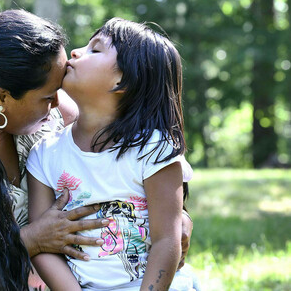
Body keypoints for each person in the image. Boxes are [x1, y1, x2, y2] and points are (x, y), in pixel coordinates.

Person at [0, 9, 193, 290]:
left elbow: (135, 190)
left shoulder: (58, 117)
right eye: (49, 96)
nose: (58, 104)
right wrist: (31, 240)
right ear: (2, 98)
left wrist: (175, 224)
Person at [27, 18, 200, 290]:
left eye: (95, 49)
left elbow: (168, 240)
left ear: (123, 80)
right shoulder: (44, 155)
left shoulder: (154, 149)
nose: (75, 52)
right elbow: (42, 245)